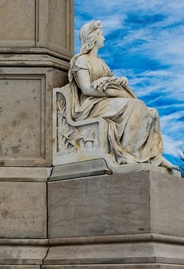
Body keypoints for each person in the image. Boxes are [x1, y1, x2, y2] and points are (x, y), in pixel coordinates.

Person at [67, 20, 176, 169]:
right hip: (91, 105)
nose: (103, 38)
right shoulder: (81, 61)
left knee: (152, 113)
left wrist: (119, 81)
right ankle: (128, 153)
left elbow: (111, 81)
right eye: (101, 34)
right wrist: (112, 92)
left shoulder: (101, 62)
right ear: (93, 37)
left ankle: (154, 156)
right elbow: (86, 89)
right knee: (134, 105)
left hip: (107, 100)